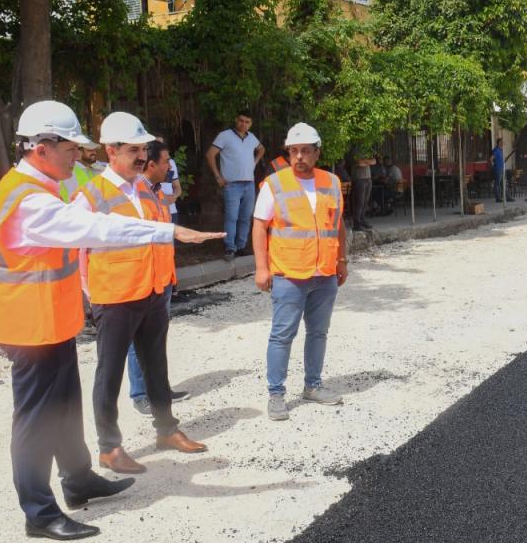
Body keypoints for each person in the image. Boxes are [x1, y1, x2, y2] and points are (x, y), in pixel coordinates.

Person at [0, 101, 220, 540]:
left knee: (66, 407)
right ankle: (39, 513)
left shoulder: (39, 185)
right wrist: (168, 231)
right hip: (28, 327)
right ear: (41, 147)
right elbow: (98, 229)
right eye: (71, 148)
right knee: (37, 420)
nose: (78, 157)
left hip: (51, 322)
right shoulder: (28, 199)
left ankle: (78, 480)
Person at [74, 113, 210, 477]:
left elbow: (156, 234)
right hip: (114, 296)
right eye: (133, 149)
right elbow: (75, 247)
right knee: (110, 372)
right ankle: (109, 448)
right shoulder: (91, 194)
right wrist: (87, 293)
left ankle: (166, 430)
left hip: (152, 291)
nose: (140, 156)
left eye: (142, 149)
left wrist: (166, 282)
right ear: (110, 150)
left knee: (156, 365)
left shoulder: (145, 188)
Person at [252, 123, 350, 421]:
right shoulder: (275, 184)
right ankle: (276, 394)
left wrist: (342, 260)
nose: (298, 157)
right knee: (282, 335)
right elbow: (259, 225)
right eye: (293, 151)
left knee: (318, 332)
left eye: (305, 151)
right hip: (289, 274)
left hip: (324, 273)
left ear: (317, 153)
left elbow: (338, 225)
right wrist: (261, 267)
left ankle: (313, 385)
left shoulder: (331, 182)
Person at [125, 139, 190, 417]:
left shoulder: (156, 192)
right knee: (136, 339)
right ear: (151, 165)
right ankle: (140, 393)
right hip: (141, 280)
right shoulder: (134, 195)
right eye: (165, 162)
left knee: (156, 340)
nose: (169, 166)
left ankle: (158, 389)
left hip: (161, 278)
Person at [206, 111, 264, 260]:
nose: (244, 124)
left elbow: (261, 149)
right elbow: (210, 154)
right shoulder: (225, 135)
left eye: (247, 122)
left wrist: (255, 162)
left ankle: (241, 246)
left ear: (250, 124)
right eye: (241, 121)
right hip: (232, 185)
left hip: (249, 184)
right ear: (236, 120)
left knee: (245, 217)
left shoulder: (251, 137)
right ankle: (230, 247)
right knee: (232, 217)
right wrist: (217, 176)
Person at [348, 148, 376, 230]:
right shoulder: (354, 151)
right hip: (359, 179)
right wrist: (368, 162)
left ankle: (362, 220)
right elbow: (359, 163)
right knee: (359, 202)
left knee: (365, 202)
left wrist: (365, 161)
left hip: (368, 178)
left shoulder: (367, 151)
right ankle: (356, 223)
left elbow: (374, 161)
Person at [491, 138, 512, 202]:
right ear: (499, 143)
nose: (503, 143)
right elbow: (491, 158)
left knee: (503, 184)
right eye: (502, 142)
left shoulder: (501, 150)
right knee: (497, 184)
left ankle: (507, 197)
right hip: (497, 169)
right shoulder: (496, 150)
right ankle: (498, 198)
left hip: (502, 169)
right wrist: (493, 166)